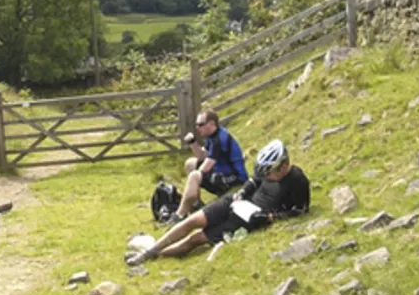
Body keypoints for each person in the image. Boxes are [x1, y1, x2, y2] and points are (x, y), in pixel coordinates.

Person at [126, 138, 310, 266]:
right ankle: (147, 253)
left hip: (250, 218)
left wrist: (269, 217)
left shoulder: (298, 180)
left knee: (196, 239)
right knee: (192, 221)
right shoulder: (267, 172)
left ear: (284, 165)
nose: (268, 177)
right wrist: (243, 191)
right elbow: (255, 181)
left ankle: (155, 254)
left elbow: (299, 210)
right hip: (238, 202)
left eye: (271, 173)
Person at [168, 109, 248, 224]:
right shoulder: (213, 136)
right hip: (223, 173)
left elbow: (205, 167)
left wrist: (192, 182)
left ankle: (180, 214)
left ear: (211, 124)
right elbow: (202, 156)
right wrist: (192, 142)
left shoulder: (219, 140)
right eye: (196, 125)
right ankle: (196, 204)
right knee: (190, 163)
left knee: (195, 175)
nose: (197, 128)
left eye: (200, 124)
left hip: (236, 178)